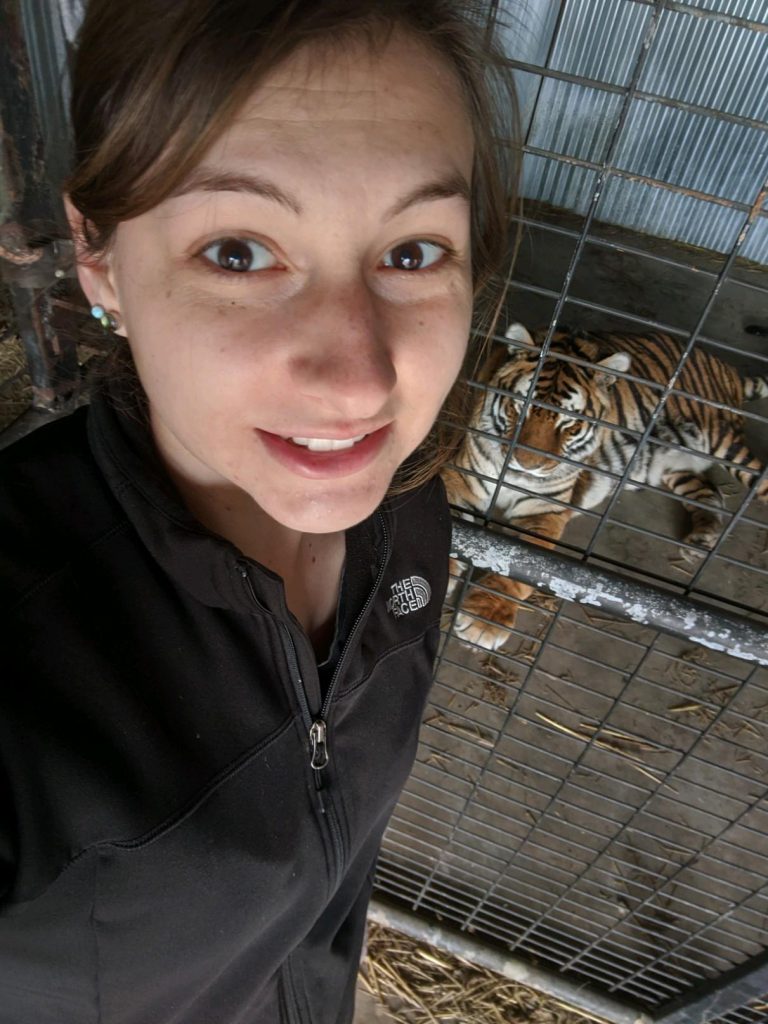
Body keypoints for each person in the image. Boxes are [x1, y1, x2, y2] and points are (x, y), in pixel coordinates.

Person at [0, 1, 518, 1021]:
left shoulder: (408, 521)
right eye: (239, 252)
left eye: (412, 253)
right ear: (98, 254)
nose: (358, 382)